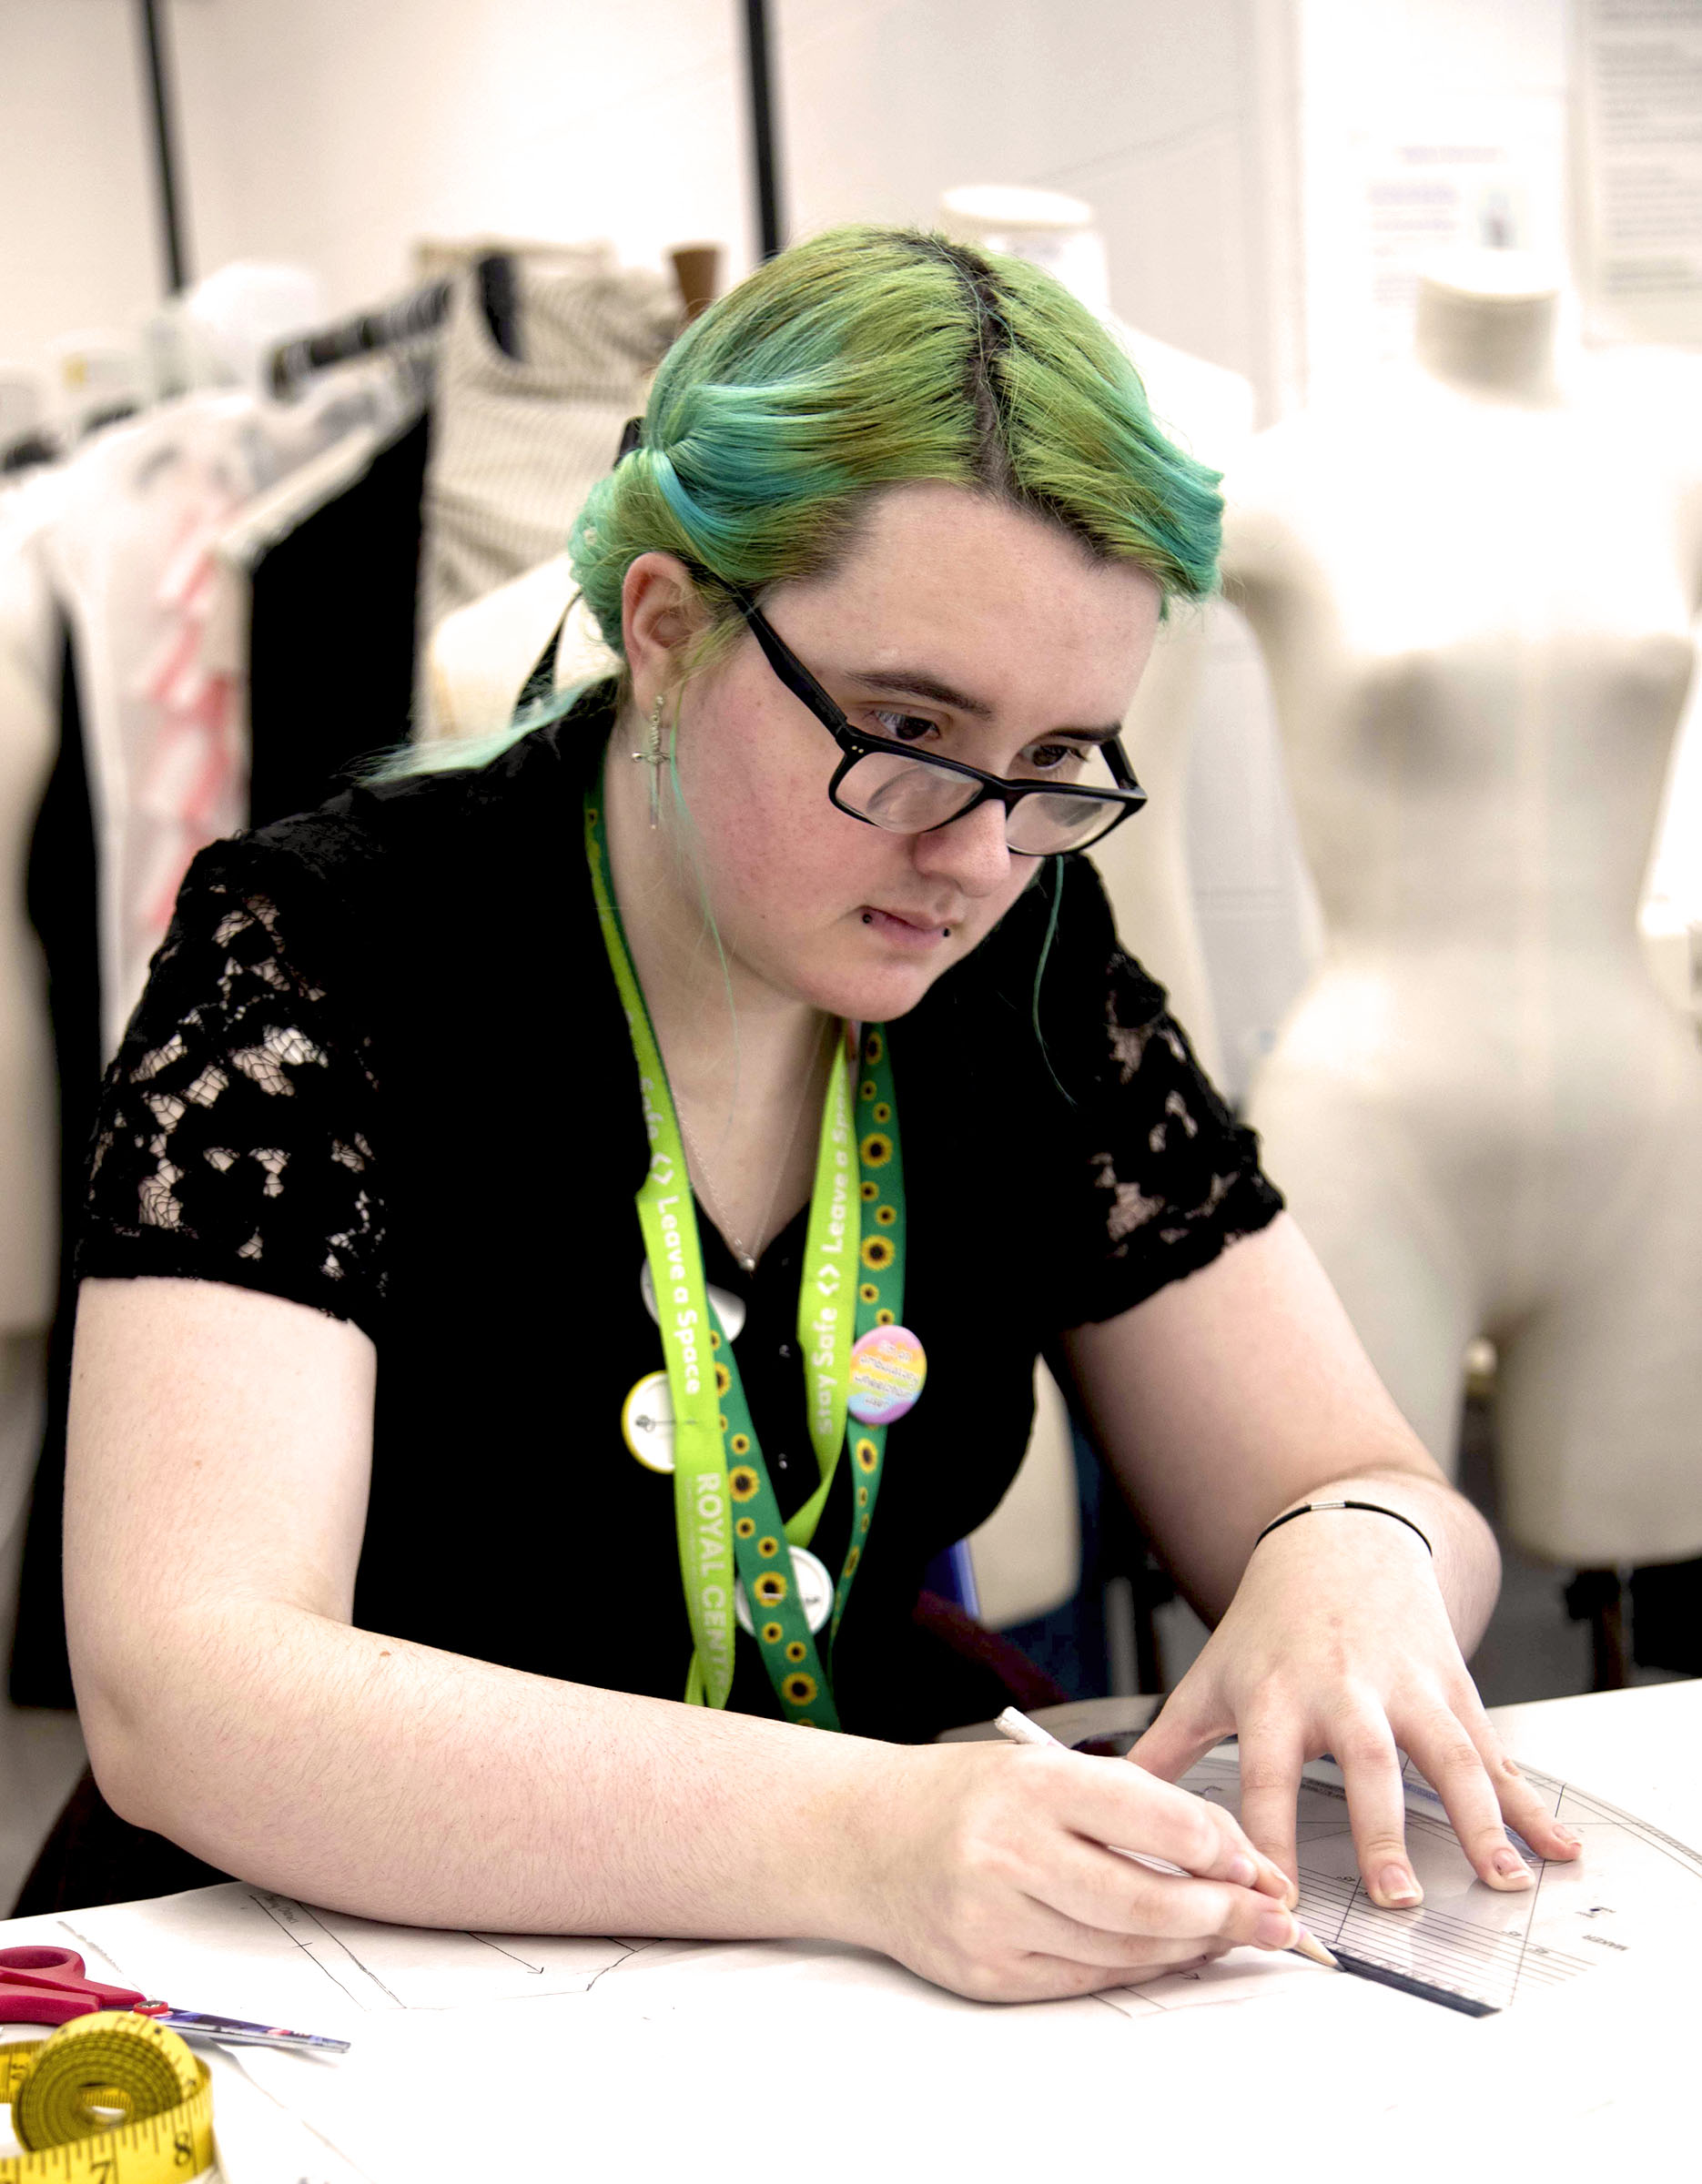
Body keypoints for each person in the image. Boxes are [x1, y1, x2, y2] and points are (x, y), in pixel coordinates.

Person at [46, 228, 1578, 2002]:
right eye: (907, 729)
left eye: (1059, 761)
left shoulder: (1027, 966)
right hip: (327, 1973)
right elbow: (190, 1692)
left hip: (827, 1962)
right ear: (669, 627)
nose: (976, 853)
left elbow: (1363, 1479)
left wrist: (1355, 1561)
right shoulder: (323, 958)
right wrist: (859, 1835)